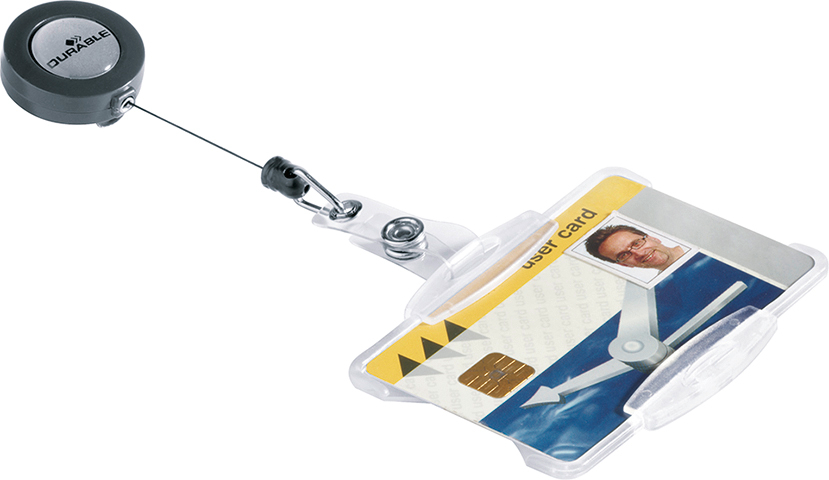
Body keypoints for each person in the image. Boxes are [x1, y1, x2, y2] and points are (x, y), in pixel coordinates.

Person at [584, 224, 685, 271]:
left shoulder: (693, 240)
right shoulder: (665, 293)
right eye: (624, 255)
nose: (639, 253)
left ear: (652, 238)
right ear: (624, 265)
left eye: (636, 243)